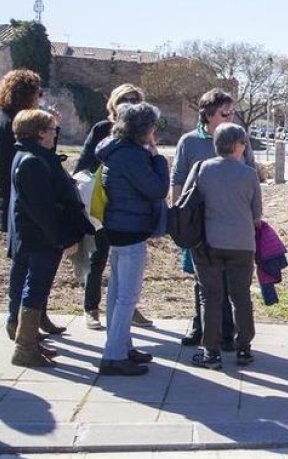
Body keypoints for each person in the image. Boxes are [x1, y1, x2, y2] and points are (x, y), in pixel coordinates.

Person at [7, 109, 92, 367]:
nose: (56, 134)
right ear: (40, 133)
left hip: (33, 236)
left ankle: (30, 342)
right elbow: (43, 209)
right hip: (41, 239)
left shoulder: (29, 155)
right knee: (36, 288)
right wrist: (62, 240)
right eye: (53, 129)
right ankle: (24, 348)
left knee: (33, 286)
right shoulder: (32, 161)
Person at [172, 89, 256, 349]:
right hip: (200, 224)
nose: (231, 118)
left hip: (230, 225)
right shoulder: (189, 142)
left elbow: (251, 176)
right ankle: (201, 328)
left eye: (233, 113)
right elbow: (178, 180)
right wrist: (178, 216)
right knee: (203, 282)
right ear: (208, 115)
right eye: (225, 114)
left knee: (231, 284)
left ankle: (227, 332)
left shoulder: (240, 140)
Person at [0, 69, 68, 340]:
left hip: (25, 199)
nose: (40, 96)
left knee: (36, 268)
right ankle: (18, 320)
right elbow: (5, 168)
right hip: (21, 203)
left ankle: (36, 315)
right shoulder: (12, 122)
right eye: (38, 91)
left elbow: (45, 155)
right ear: (26, 93)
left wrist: (51, 130)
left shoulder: (27, 121)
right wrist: (3, 209)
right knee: (23, 266)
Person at [96, 102, 169, 377]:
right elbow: (157, 189)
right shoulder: (133, 156)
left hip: (116, 225)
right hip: (131, 228)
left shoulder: (114, 150)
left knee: (117, 291)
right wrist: (158, 158)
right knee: (128, 295)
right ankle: (114, 355)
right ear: (145, 129)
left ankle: (122, 345)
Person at [74, 83, 154, 331]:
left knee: (128, 264)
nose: (129, 103)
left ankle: (128, 309)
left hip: (130, 208)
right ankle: (91, 309)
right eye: (124, 99)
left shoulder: (142, 133)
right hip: (104, 203)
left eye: (134, 99)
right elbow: (83, 165)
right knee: (98, 258)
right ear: (113, 103)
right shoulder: (102, 129)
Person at [187, 123, 263, 370]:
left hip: (209, 242)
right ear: (239, 145)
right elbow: (256, 215)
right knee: (241, 297)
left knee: (210, 296)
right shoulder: (249, 174)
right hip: (241, 243)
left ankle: (211, 351)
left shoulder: (203, 169)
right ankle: (244, 348)